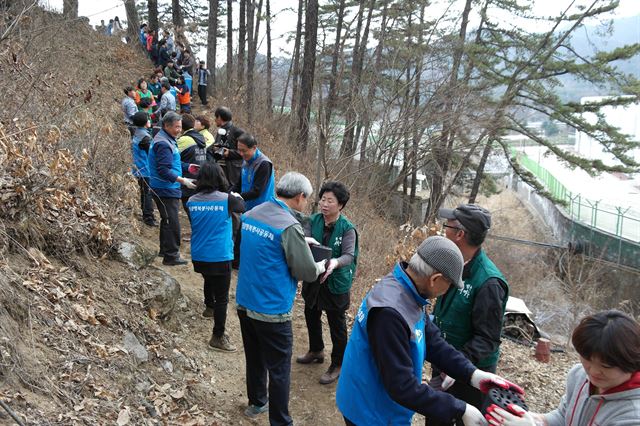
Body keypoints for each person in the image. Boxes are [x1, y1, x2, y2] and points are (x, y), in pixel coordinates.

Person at [336, 236, 523, 426]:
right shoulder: (390, 313)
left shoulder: (408, 289)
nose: (448, 290)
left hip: (378, 396)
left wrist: (473, 375)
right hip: (369, 407)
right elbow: (402, 386)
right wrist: (460, 409)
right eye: (450, 285)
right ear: (435, 279)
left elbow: (434, 342)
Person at [236, 172, 327, 425]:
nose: (306, 203)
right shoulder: (289, 227)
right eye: (307, 199)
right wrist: (321, 266)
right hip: (272, 309)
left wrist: (301, 240)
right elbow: (307, 272)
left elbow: (263, 248)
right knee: (278, 369)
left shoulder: (253, 213)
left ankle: (257, 403)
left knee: (254, 357)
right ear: (299, 197)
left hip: (245, 300)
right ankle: (281, 421)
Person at [429, 204, 510, 425]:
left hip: (470, 374)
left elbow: (488, 339)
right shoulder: (453, 262)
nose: (443, 231)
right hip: (444, 361)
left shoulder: (488, 282)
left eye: (447, 226)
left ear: (460, 234)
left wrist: (456, 367)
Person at [487, 310, 640, 426]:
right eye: (587, 359)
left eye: (606, 366)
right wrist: (532, 419)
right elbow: (563, 416)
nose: (592, 371)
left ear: (631, 363)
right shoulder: (579, 375)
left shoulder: (633, 415)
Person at [297, 181, 359, 385]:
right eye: (323, 199)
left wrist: (334, 262)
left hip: (335, 281)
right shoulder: (312, 220)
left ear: (340, 205)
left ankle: (338, 364)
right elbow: (302, 239)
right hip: (314, 277)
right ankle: (316, 350)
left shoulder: (347, 229)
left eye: (330, 201)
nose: (324, 204)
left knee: (337, 323)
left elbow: (349, 255)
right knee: (311, 312)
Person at [187, 162, 245, 352]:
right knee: (223, 297)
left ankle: (208, 307)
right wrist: (234, 194)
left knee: (209, 278)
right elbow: (242, 206)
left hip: (199, 254)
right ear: (220, 177)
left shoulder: (191, 201)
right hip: (219, 255)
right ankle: (218, 336)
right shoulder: (227, 199)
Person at [147, 111, 196, 266]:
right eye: (176, 127)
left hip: (167, 186)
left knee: (167, 219)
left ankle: (164, 250)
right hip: (165, 188)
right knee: (172, 221)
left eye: (180, 127)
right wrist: (183, 181)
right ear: (166, 126)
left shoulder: (168, 139)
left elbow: (173, 163)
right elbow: (163, 169)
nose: (179, 130)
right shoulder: (163, 143)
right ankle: (171, 255)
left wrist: (189, 167)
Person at [230, 133, 274, 211]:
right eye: (239, 150)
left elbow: (257, 192)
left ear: (254, 148)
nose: (241, 154)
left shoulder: (264, 164)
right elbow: (238, 185)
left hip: (261, 209)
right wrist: (227, 195)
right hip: (247, 207)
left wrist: (238, 197)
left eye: (244, 151)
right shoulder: (246, 160)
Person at [177, 114, 207, 218]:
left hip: (188, 180)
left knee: (190, 210)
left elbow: (173, 158)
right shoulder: (201, 137)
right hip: (202, 178)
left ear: (181, 126)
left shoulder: (184, 139)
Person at [130, 111, 157, 227]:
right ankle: (148, 218)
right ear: (146, 122)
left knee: (143, 192)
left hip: (137, 169)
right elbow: (152, 155)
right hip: (145, 170)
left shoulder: (136, 133)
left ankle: (145, 213)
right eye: (148, 119)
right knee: (147, 193)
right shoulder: (145, 138)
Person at [211, 107, 243, 186]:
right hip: (219, 171)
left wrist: (229, 153)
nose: (215, 120)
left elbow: (246, 151)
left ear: (219, 117)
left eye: (216, 117)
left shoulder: (237, 131)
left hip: (232, 173)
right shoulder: (220, 131)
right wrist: (214, 148)